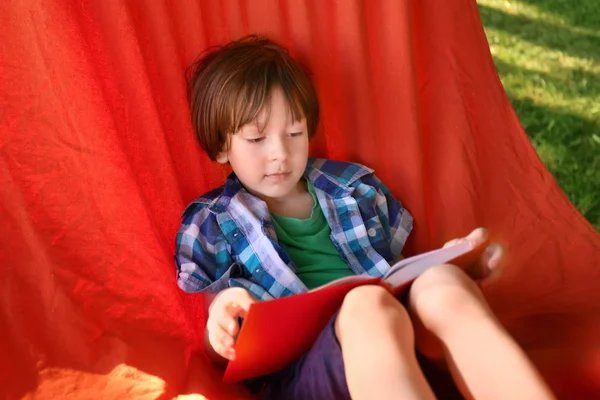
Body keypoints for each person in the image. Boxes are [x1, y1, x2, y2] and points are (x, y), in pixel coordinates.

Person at [175, 35, 554, 400]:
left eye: (294, 132)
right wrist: (222, 318)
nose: (280, 154)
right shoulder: (213, 222)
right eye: (257, 140)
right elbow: (215, 349)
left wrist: (453, 262)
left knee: (440, 282)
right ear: (222, 145)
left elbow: (394, 275)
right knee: (365, 305)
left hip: (399, 340)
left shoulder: (351, 188)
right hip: (308, 370)